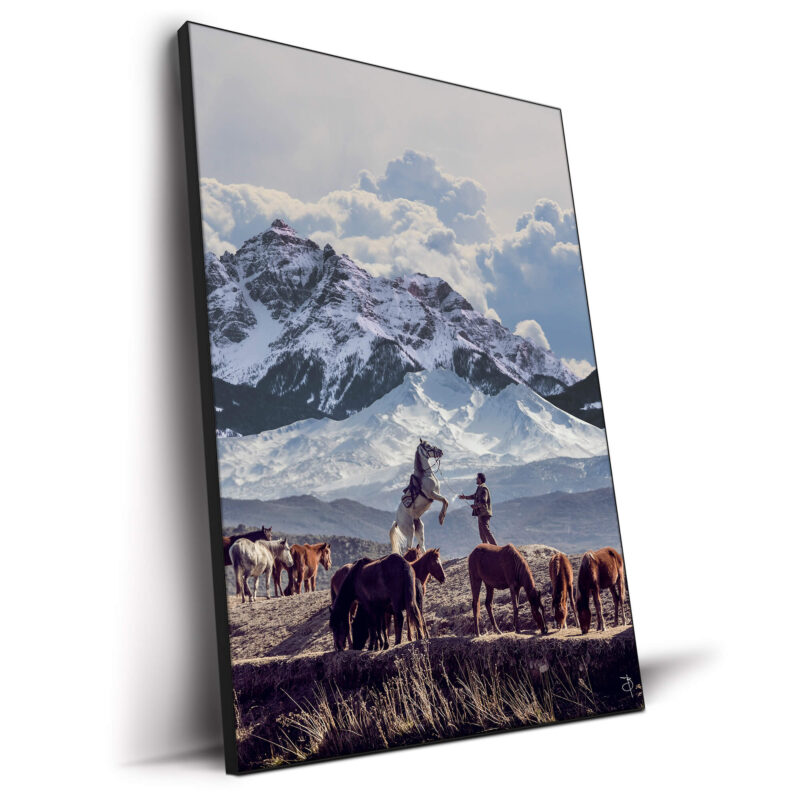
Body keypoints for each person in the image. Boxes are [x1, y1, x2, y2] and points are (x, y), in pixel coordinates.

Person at [459, 472, 497, 545]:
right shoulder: (479, 488)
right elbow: (474, 496)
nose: (476, 479)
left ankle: (495, 547)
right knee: (482, 533)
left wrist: (476, 506)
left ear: (480, 479)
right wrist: (465, 497)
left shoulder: (484, 488)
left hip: (484, 513)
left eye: (477, 478)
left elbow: (483, 501)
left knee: (486, 531)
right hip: (480, 514)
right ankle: (486, 548)